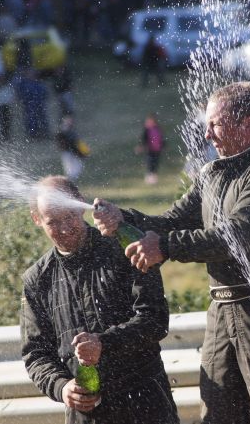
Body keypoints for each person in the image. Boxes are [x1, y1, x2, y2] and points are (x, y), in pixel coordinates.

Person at [93, 81, 250, 424]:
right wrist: (125, 219)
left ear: (249, 126)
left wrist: (164, 248)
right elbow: (169, 221)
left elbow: (233, 237)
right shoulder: (212, 174)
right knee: (217, 413)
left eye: (216, 125)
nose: (207, 135)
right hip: (222, 310)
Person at [20, 176, 179, 424]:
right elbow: (36, 353)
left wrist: (103, 343)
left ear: (81, 203)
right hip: (86, 415)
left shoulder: (127, 249)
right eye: (53, 222)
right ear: (36, 219)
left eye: (70, 216)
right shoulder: (37, 279)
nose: (65, 228)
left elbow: (155, 320)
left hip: (146, 405)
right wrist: (62, 388)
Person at [55, 116, 89, 182]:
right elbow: (60, 142)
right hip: (67, 151)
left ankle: (72, 179)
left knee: (76, 167)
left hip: (74, 152)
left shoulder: (72, 131)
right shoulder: (63, 131)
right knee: (69, 167)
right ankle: (70, 179)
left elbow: (76, 142)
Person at [136, 112, 164, 185]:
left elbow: (161, 138)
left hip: (157, 150)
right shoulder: (147, 130)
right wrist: (141, 146)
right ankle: (150, 177)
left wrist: (163, 145)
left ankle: (154, 177)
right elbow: (144, 139)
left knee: (155, 163)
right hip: (150, 150)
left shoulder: (157, 129)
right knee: (150, 163)